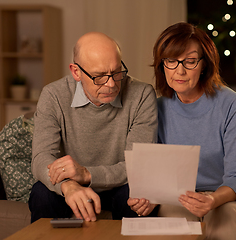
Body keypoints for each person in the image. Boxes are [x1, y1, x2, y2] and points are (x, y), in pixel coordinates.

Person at [127, 22, 236, 239]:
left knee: (224, 218)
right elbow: (156, 173)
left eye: (190, 61)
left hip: (235, 195)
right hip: (181, 198)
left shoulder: (230, 103)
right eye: (171, 61)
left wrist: (212, 200)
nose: (180, 70)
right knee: (172, 221)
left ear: (204, 65)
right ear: (161, 65)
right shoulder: (156, 108)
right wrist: (148, 198)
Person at [29, 32, 158, 223]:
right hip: (73, 186)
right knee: (41, 193)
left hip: (120, 185)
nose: (111, 84)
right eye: (99, 77)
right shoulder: (53, 95)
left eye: (116, 72)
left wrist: (87, 175)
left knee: (135, 194)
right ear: (76, 72)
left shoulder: (142, 95)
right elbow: (41, 157)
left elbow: (137, 165)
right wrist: (68, 186)